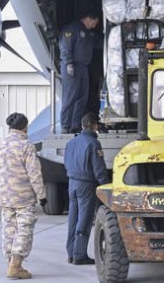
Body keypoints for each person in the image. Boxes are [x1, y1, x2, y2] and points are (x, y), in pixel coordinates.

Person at [0, 113, 47, 279]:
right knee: (24, 230)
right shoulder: (26, 145)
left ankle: (10, 264)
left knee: (8, 231)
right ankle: (16, 265)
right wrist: (42, 196)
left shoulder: (0, 145)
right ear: (25, 127)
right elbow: (34, 174)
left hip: (6, 197)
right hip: (24, 198)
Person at [64, 112, 110, 265]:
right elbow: (99, 169)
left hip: (72, 183)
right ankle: (80, 255)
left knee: (73, 218)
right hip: (86, 185)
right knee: (84, 219)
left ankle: (71, 253)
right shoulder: (93, 143)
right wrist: (106, 186)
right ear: (94, 125)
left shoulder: (71, 142)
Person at [60, 11, 100, 133]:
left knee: (82, 97)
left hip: (83, 67)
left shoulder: (87, 32)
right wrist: (69, 63)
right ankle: (65, 125)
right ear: (88, 18)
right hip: (73, 67)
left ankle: (75, 125)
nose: (94, 26)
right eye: (94, 23)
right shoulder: (72, 29)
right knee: (70, 97)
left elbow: (97, 43)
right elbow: (65, 47)